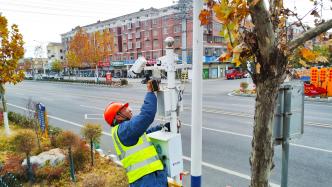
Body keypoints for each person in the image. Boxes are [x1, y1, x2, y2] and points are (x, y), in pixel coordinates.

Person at [104, 81, 168, 187]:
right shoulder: (124, 130)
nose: (130, 110)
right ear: (118, 117)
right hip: (147, 181)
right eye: (125, 109)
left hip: (147, 179)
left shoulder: (123, 132)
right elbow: (147, 115)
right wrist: (150, 92)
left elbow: (144, 135)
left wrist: (162, 128)